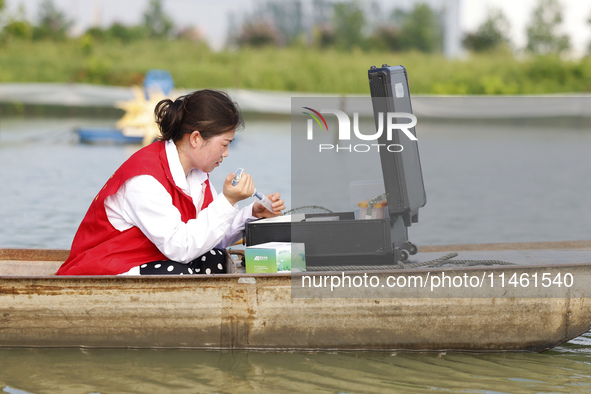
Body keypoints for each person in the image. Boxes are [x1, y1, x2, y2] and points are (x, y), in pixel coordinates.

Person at [57, 89, 284, 276]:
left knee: (214, 257)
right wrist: (227, 200)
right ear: (196, 138)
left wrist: (252, 214)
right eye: (224, 144)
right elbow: (182, 248)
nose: (225, 154)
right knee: (183, 272)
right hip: (103, 271)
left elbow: (211, 237)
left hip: (146, 261)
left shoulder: (196, 174)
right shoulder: (145, 178)